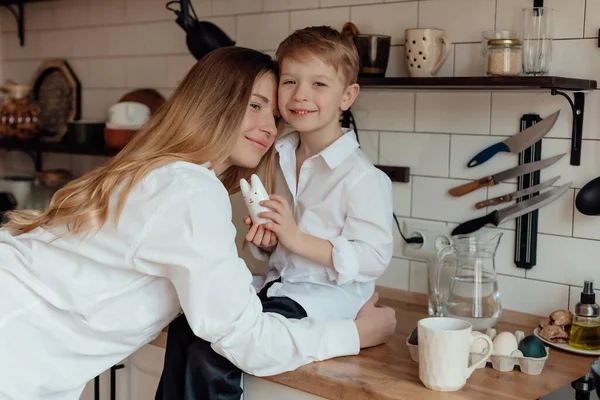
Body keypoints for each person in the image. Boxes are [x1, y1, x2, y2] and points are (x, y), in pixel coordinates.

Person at [0, 46, 396, 400]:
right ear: (215, 102)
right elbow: (247, 340)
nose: (271, 128)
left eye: (274, 115)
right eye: (255, 105)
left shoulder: (166, 172)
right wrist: (358, 334)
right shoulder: (190, 189)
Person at [156, 27, 395, 400]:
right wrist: (267, 244)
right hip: (278, 289)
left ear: (347, 96)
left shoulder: (363, 177)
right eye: (290, 81)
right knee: (187, 329)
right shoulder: (277, 155)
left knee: (213, 352)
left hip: (322, 300)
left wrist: (296, 237)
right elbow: (279, 252)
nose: (301, 95)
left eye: (319, 84)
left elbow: (375, 257)